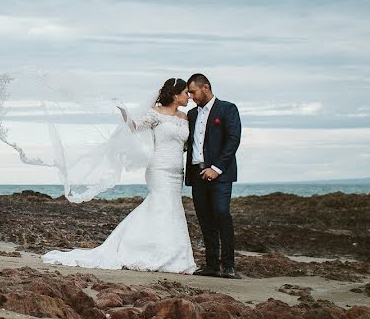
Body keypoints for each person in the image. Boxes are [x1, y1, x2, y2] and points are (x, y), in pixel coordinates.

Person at [42, 78, 197, 274]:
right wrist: (124, 110)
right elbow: (133, 127)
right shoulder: (155, 114)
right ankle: (151, 251)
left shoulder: (184, 117)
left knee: (172, 208)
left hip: (177, 171)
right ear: (175, 95)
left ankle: (174, 254)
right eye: (185, 93)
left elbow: (184, 144)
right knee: (162, 205)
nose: (188, 97)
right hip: (158, 168)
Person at [184, 73, 242, 278]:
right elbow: (188, 143)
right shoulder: (191, 115)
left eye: (193, 91)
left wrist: (216, 168)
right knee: (205, 219)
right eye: (188, 93)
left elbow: (233, 140)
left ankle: (228, 266)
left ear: (205, 87)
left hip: (220, 175)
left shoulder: (227, 109)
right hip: (196, 173)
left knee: (221, 214)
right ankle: (211, 265)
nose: (190, 96)